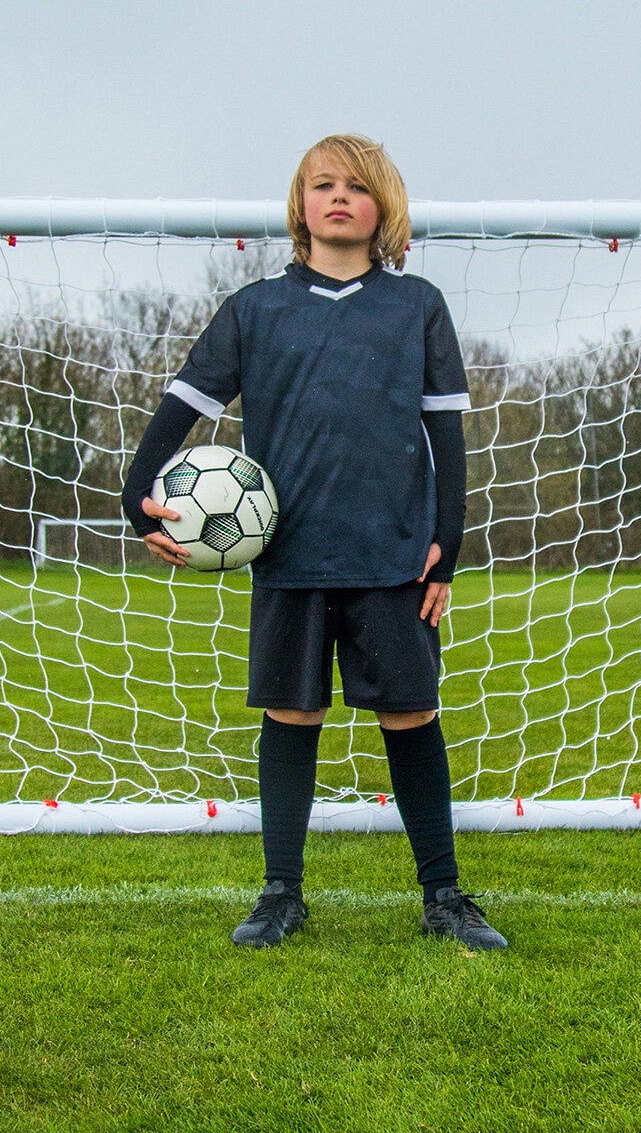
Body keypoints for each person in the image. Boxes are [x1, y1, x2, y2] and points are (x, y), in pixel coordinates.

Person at [121, 134, 506, 951]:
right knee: (292, 714)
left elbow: (447, 434)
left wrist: (450, 543)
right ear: (300, 205)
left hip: (395, 553)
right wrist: (138, 502)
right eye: (322, 185)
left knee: (411, 713)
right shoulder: (256, 309)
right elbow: (180, 408)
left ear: (383, 209)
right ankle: (281, 893)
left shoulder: (416, 306)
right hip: (289, 555)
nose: (339, 198)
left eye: (357, 188)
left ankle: (443, 896)